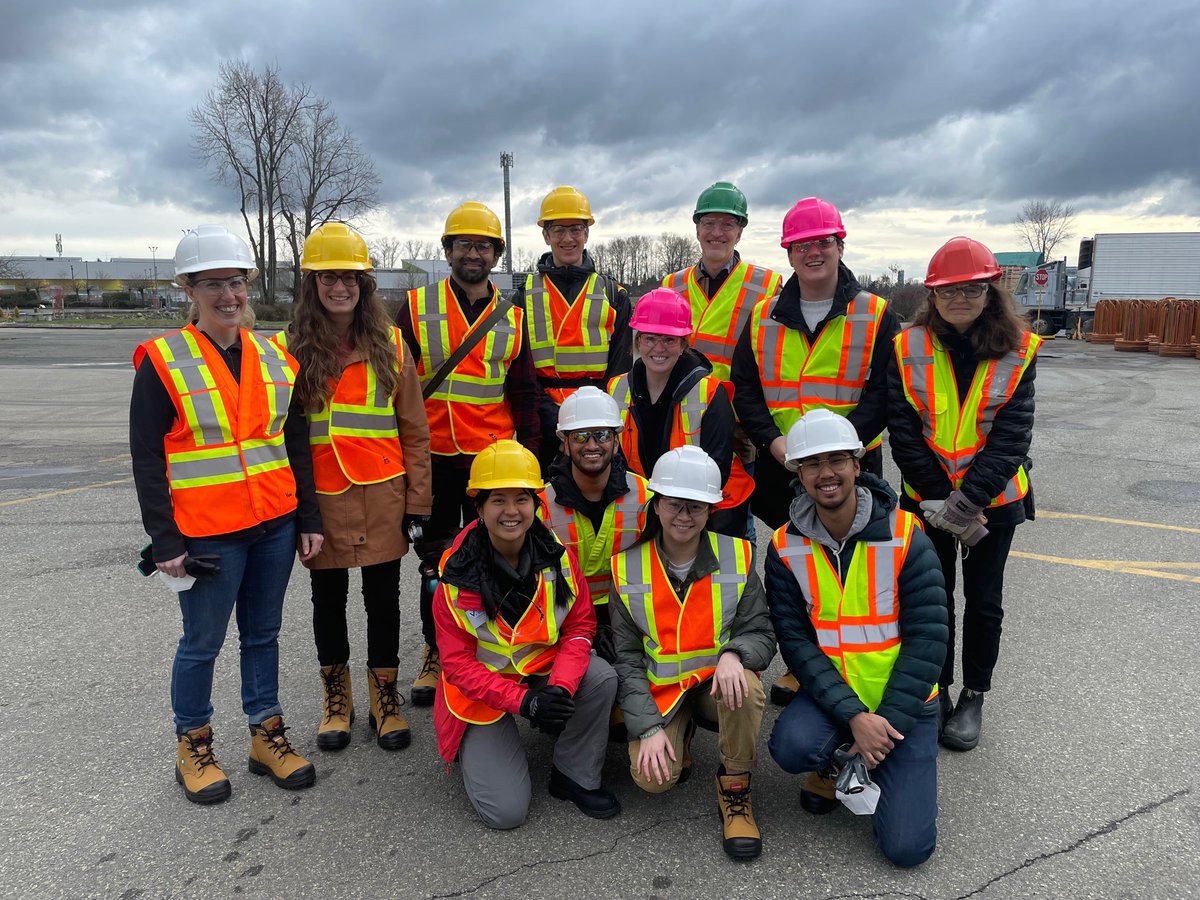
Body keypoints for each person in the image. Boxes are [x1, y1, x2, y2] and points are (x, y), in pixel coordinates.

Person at [130, 224, 322, 804]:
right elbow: (147, 457)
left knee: (263, 636)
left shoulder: (275, 356)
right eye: (212, 284)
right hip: (208, 533)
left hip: (274, 525)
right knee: (202, 643)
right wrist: (166, 540)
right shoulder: (164, 360)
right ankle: (193, 744)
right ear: (188, 289)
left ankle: (266, 735)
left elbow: (295, 442)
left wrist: (308, 518)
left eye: (236, 282)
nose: (228, 295)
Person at [730, 196, 901, 706]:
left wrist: (837, 450)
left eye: (823, 242)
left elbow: (886, 392)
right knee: (798, 566)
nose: (813, 253)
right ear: (788, 253)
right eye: (801, 245)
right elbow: (745, 389)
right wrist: (773, 441)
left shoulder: (875, 313)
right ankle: (801, 664)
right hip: (783, 463)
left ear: (840, 246)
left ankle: (845, 662)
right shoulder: (763, 316)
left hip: (850, 469)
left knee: (850, 570)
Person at [273, 222, 432, 753]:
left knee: (384, 600)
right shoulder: (286, 349)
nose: (340, 287)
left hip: (383, 497)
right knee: (328, 601)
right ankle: (336, 701)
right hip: (320, 500)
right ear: (312, 284)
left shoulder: (392, 344)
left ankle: (384, 699)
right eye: (328, 278)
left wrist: (419, 502)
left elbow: (414, 431)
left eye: (350, 278)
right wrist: (297, 510)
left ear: (364, 284)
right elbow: (282, 437)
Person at [765, 409, 947, 868]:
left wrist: (883, 727)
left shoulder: (906, 536)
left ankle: (871, 757)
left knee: (907, 850)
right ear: (798, 474)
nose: (825, 473)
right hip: (837, 699)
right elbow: (796, 645)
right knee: (791, 745)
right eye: (812, 463)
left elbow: (929, 640)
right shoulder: (784, 546)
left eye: (836, 460)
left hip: (905, 704)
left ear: (857, 464)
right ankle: (842, 760)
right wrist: (854, 716)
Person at [888, 236, 1040, 752]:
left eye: (971, 289)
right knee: (931, 602)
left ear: (990, 290)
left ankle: (973, 695)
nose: (959, 298)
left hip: (992, 504)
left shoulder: (1019, 349)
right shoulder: (906, 347)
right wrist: (937, 498)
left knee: (984, 602)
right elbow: (903, 429)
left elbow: (1012, 436)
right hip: (926, 500)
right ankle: (936, 691)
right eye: (948, 290)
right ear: (932, 294)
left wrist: (966, 502)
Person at [433, 440, 621, 829]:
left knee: (601, 677)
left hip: (542, 669)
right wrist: (525, 703)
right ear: (479, 507)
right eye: (498, 500)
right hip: (480, 692)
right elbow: (458, 665)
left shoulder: (559, 557)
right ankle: (481, 747)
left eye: (521, 499)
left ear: (536, 504)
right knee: (506, 813)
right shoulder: (454, 577)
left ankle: (573, 775)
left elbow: (580, 627)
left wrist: (561, 689)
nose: (511, 511)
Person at [397, 201, 540, 706]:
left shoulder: (514, 316)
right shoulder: (415, 306)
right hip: (432, 458)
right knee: (436, 565)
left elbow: (523, 394)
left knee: (495, 559)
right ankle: (436, 653)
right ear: (448, 251)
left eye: (483, 246)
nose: (473, 254)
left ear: (496, 254)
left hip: (491, 463)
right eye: (464, 245)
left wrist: (529, 463)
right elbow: (394, 385)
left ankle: (493, 649)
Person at [610, 446, 775, 861]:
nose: (684, 516)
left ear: (710, 510)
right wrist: (647, 728)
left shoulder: (738, 556)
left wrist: (734, 654)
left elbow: (760, 632)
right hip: (662, 692)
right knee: (653, 780)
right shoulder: (626, 567)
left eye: (696, 507)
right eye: (674, 504)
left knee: (749, 688)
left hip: (715, 686)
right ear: (657, 505)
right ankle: (675, 737)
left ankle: (735, 788)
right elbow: (626, 659)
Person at [607, 288, 752, 537]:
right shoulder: (616, 388)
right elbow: (614, 461)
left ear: (683, 344)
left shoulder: (710, 391)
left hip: (708, 508)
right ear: (638, 341)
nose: (658, 348)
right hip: (646, 505)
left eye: (669, 339)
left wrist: (673, 513)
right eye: (650, 338)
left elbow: (717, 466)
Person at [511, 185, 633, 470]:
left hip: (598, 421)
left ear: (586, 233)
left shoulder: (614, 294)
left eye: (576, 229)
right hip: (544, 423)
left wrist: (592, 419)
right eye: (558, 230)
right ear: (546, 236)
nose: (568, 238)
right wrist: (553, 418)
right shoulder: (523, 296)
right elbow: (522, 371)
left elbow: (620, 369)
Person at [539, 386, 649, 661]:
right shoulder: (541, 504)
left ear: (616, 442)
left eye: (601, 435)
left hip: (631, 619)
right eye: (580, 436)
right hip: (565, 622)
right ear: (564, 443)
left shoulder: (646, 496)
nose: (591, 446)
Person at [661, 181, 781, 385]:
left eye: (727, 225)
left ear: (739, 234)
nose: (716, 233)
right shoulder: (671, 286)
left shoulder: (768, 287)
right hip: (680, 401)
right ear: (698, 231)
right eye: (708, 223)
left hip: (736, 403)